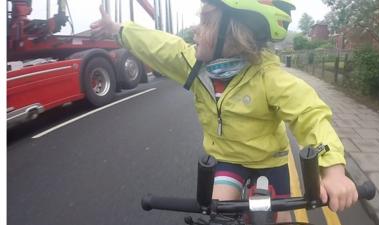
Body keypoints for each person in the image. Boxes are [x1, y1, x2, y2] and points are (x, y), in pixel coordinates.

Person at [91, 0, 358, 222]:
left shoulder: (269, 77)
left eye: (206, 21)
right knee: (218, 210)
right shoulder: (195, 67)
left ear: (235, 33)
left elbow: (309, 114)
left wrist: (333, 171)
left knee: (282, 219)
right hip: (227, 160)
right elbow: (159, 46)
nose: (196, 28)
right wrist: (118, 28)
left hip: (270, 161)